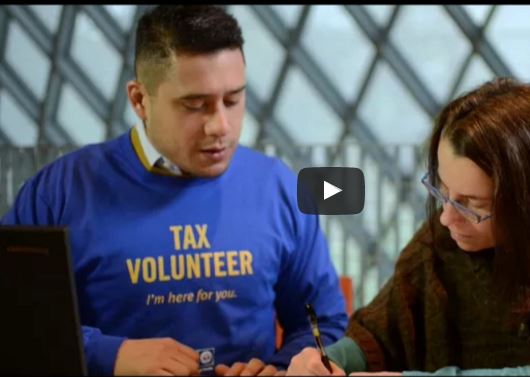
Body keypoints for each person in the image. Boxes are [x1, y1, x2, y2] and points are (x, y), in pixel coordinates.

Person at [1, 5, 348, 376]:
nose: (220, 126)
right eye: (195, 105)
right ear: (139, 100)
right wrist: (110, 355)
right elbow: (15, 321)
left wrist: (281, 370)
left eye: (232, 100)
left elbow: (322, 324)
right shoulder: (60, 192)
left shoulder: (278, 187)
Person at [286, 78, 530, 376]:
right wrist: (328, 360)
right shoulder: (447, 237)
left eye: (472, 204)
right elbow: (380, 333)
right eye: (442, 191)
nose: (447, 217)